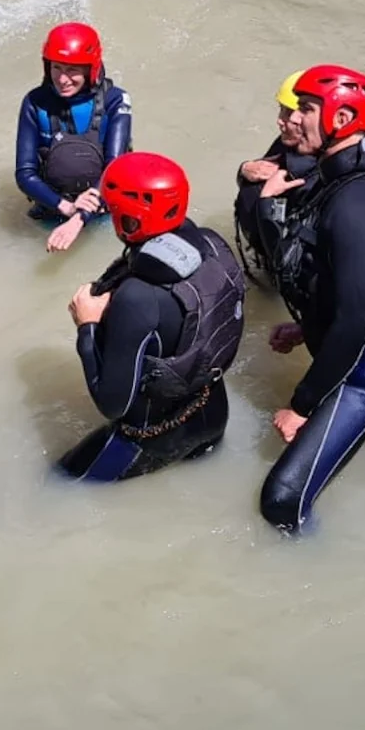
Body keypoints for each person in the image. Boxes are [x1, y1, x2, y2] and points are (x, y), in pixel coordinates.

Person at [259, 64, 365, 533]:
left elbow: (358, 317)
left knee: (280, 502)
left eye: (307, 109)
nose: (293, 119)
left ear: (341, 117)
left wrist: (302, 404)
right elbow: (344, 281)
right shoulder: (335, 176)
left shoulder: (359, 199)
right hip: (357, 351)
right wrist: (305, 326)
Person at [62, 152, 246, 482]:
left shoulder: (137, 297)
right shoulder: (211, 244)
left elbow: (112, 405)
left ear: (128, 220)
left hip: (152, 435)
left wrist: (86, 327)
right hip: (214, 409)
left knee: (61, 482)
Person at [15, 22, 133, 254]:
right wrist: (67, 208)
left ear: (92, 69)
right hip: (53, 210)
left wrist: (81, 217)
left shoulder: (115, 100)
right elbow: (25, 173)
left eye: (72, 70)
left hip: (103, 212)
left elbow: (115, 168)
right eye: (57, 68)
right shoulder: (34, 102)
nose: (62, 79)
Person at [233, 71, 318, 287]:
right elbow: (261, 169)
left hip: (293, 269)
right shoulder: (288, 144)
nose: (279, 121)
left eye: (288, 112)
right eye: (281, 110)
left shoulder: (324, 174)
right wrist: (244, 169)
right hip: (269, 256)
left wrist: (267, 201)